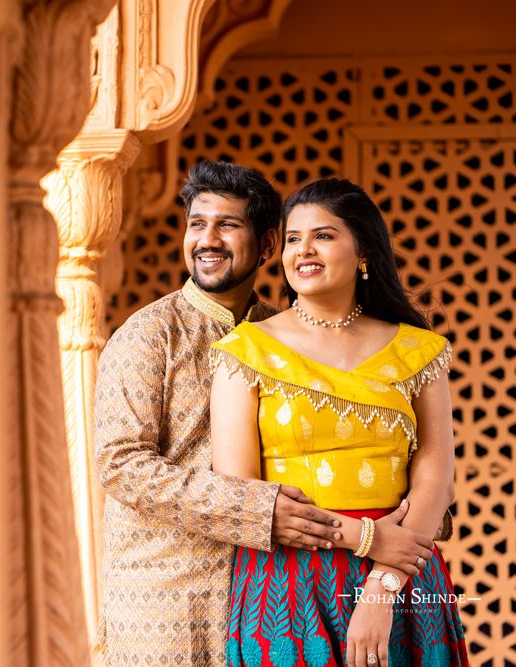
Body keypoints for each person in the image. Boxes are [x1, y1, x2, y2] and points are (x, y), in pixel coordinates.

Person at [94, 162, 432, 666]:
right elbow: (120, 463)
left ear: (269, 245)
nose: (207, 240)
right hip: (166, 597)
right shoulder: (150, 335)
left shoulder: (285, 334)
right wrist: (261, 510)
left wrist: (405, 514)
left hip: (276, 589)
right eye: (196, 224)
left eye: (227, 225)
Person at [210, 178, 469, 666]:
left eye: (324, 235)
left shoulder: (418, 349)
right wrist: (368, 540)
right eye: (292, 239)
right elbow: (241, 492)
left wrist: (384, 583)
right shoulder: (246, 352)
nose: (302, 250)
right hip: (287, 585)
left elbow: (437, 480)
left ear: (363, 251)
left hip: (404, 582)